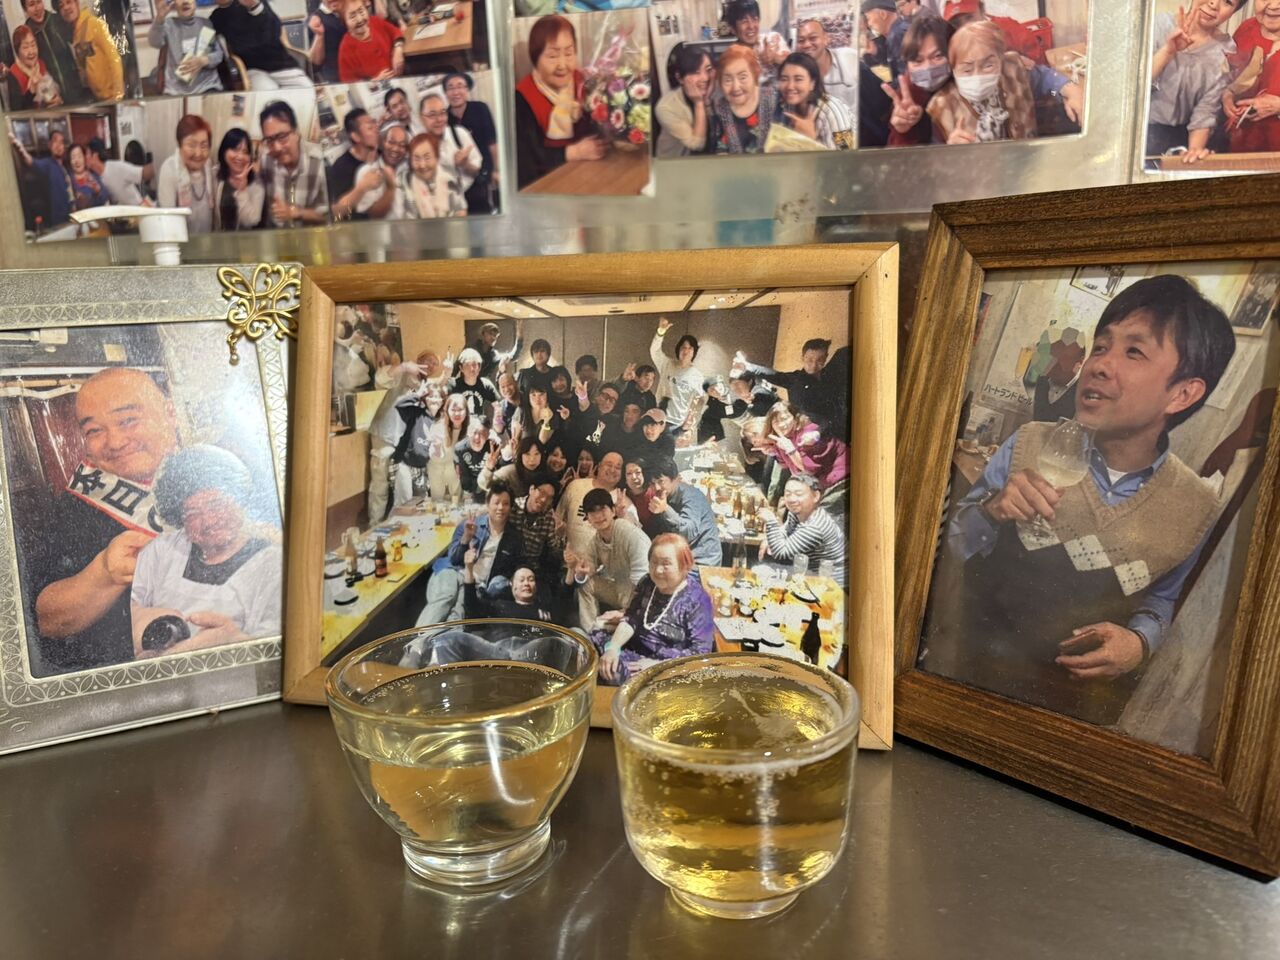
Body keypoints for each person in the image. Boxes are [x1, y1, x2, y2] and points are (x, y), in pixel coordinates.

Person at [939, 275, 1235, 725]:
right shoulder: (1029, 442)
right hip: (965, 675)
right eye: (1101, 346)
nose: (1099, 365)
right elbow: (946, 550)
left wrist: (1139, 643)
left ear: (1183, 393)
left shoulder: (1196, 506)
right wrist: (991, 510)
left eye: (1133, 352)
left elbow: (1163, 601)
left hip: (1073, 714)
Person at [30, 369, 179, 675]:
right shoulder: (73, 508)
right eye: (94, 430)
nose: (115, 442)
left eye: (128, 420)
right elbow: (43, 621)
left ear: (170, 413)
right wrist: (105, 574)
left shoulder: (220, 475)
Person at [131, 445, 281, 656]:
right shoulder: (161, 550)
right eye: (193, 513)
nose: (209, 521)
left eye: (216, 505)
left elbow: (274, 654)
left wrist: (235, 641)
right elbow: (129, 609)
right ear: (179, 518)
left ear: (238, 498)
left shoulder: (273, 565)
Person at [592, 533, 716, 685]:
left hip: (667, 667)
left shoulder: (698, 600)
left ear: (684, 566)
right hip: (633, 650)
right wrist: (613, 648)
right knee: (586, 647)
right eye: (654, 562)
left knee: (609, 671)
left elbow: (700, 654)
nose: (657, 570)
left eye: (666, 564)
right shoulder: (647, 583)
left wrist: (657, 667)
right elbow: (631, 619)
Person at [514, 14, 605, 189]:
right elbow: (527, 162)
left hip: (591, 174)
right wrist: (573, 153)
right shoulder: (522, 97)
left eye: (569, 53)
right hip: (550, 184)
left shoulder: (584, 81)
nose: (563, 65)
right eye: (553, 56)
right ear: (535, 58)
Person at [1145, 0, 1240, 165]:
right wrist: (1167, 52)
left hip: (1181, 136)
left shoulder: (1225, 50)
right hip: (1136, 127)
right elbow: (1132, 87)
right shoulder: (1158, 25)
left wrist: (1194, 151)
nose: (1214, 4)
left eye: (1227, 2)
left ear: (1234, 11)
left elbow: (1206, 109)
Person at [417, 483, 523, 625]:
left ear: (510, 507)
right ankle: (417, 638)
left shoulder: (514, 537)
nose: (500, 508)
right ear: (488, 504)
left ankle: (433, 639)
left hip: (474, 583)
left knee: (458, 616)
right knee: (446, 597)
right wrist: (466, 538)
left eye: (505, 504)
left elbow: (513, 569)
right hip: (452, 571)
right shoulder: (470, 524)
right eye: (496, 502)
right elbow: (453, 559)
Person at [926, 19, 1036, 145]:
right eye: (967, 70)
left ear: (1000, 59)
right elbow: (934, 152)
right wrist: (951, 149)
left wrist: (1057, 89)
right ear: (954, 69)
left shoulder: (1013, 69)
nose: (978, 76)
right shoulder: (941, 105)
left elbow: (1048, 84)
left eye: (988, 65)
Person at [568, 486, 651, 631]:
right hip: (620, 592)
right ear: (588, 518)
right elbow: (588, 567)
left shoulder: (630, 534)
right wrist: (581, 572)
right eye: (592, 512)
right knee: (585, 584)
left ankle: (603, 628)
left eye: (602, 509)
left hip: (643, 601)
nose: (598, 516)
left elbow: (644, 581)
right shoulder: (596, 540)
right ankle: (590, 633)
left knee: (603, 624)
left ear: (613, 511)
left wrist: (627, 612)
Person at [758, 475, 846, 586]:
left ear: (815, 496)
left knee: (763, 573)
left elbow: (780, 553)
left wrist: (771, 521)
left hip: (831, 584)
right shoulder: (798, 513)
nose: (792, 499)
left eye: (798, 494)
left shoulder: (815, 526)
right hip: (810, 571)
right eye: (788, 494)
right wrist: (769, 539)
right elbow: (785, 531)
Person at [762, 400, 849, 512]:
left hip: (840, 478)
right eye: (776, 422)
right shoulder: (783, 438)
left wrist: (791, 450)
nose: (781, 425)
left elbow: (809, 470)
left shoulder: (808, 434)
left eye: (785, 419)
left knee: (823, 515)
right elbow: (785, 465)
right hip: (821, 483)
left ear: (795, 417)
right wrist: (773, 452)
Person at [211, 0, 314, 91]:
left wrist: (254, 8)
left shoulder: (256, 3)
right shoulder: (216, 17)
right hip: (254, 69)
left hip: (282, 65)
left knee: (307, 92)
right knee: (266, 96)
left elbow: (275, 33)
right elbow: (212, 47)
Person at [733, 337, 835, 428]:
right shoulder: (795, 379)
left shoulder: (830, 375)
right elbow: (775, 375)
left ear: (826, 358)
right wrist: (748, 367)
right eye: (810, 360)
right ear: (802, 358)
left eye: (819, 360)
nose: (814, 365)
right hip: (808, 430)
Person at [883, 15, 953, 146]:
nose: (928, 67)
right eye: (918, 60)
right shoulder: (907, 97)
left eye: (937, 56)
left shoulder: (966, 90)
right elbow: (899, 154)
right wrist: (903, 132)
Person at [259, 99, 329, 227]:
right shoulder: (266, 160)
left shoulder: (320, 164)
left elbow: (330, 215)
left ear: (296, 132)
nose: (277, 147)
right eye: (269, 140)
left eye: (282, 137)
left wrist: (297, 213)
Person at [1224, 1, 1280, 155]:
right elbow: (1229, 76)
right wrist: (1227, 95)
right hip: (1238, 150)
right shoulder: (1246, 29)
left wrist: (1278, 106)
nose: (1273, 6)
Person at [646, 456, 721, 567]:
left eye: (660, 481)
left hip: (702, 561)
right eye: (652, 483)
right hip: (679, 557)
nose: (656, 487)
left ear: (675, 479)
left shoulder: (692, 496)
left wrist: (666, 509)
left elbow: (688, 532)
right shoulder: (661, 496)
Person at [705, 44, 778, 154]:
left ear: (755, 75)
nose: (735, 87)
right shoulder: (720, 108)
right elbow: (719, 147)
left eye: (742, 77)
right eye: (728, 80)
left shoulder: (773, 98)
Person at [444, 71, 499, 214]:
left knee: (487, 208)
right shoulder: (444, 117)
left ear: (467, 89)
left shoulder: (480, 108)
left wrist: (496, 170)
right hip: (462, 177)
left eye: (460, 86)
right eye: (450, 87)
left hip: (485, 167)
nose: (456, 92)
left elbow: (492, 142)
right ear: (445, 93)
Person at [557, 450, 632, 555]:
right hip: (568, 558)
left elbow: (631, 540)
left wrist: (622, 516)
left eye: (618, 467)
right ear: (599, 466)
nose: (612, 470)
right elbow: (558, 517)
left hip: (603, 563)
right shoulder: (575, 486)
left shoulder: (625, 502)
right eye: (609, 465)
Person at [778, 52, 855, 149]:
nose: (790, 86)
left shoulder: (833, 111)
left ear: (812, 83)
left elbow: (848, 153)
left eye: (798, 79)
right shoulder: (788, 107)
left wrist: (810, 140)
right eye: (784, 79)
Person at [328, 108, 393, 221]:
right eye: (370, 128)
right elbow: (337, 213)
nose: (376, 129)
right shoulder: (341, 167)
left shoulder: (382, 154)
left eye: (375, 124)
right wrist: (362, 187)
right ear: (356, 137)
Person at [148, 0, 224, 95]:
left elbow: (218, 55)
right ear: (174, 3)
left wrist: (203, 61)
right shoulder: (168, 24)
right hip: (175, 90)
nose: (185, 2)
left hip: (206, 86)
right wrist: (159, 18)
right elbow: (154, 43)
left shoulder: (205, 23)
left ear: (195, 3)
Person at [158, 115, 215, 234]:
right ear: (180, 145)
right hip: (179, 240)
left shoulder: (208, 165)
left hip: (206, 239)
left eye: (204, 146)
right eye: (191, 145)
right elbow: (168, 219)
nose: (198, 153)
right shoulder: (170, 169)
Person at [649, 317, 704, 439]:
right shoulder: (667, 364)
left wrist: (691, 422)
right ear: (678, 349)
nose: (686, 351)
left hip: (678, 423)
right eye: (683, 347)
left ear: (694, 352)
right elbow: (654, 351)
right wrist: (660, 332)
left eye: (690, 349)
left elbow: (699, 400)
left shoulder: (697, 376)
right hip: (659, 418)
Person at [23, 0, 86, 107]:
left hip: (76, 90)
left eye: (39, 2)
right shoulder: (27, 35)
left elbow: (77, 41)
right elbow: (33, 71)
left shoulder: (57, 20)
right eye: (32, 4)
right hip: (53, 97)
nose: (37, 8)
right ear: (25, 9)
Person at [419, 92, 480, 201]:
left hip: (472, 196)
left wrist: (465, 164)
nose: (439, 119)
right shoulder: (419, 147)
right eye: (432, 115)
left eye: (443, 113)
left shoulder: (460, 134)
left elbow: (477, 171)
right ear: (421, 118)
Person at [656, 43, 714, 158]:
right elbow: (697, 145)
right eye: (696, 72)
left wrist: (707, 99)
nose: (705, 78)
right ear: (679, 78)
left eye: (708, 69)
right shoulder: (666, 107)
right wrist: (699, 103)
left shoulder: (714, 88)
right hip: (675, 164)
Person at [59, 0, 123, 102]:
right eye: (61, 6)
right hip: (99, 99)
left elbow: (114, 57)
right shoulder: (75, 33)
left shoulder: (94, 23)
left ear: (77, 3)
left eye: (69, 2)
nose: (66, 8)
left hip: (112, 97)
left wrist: (118, 95)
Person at [393, 133, 466, 219]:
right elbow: (398, 217)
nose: (422, 165)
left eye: (427, 158)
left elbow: (461, 212)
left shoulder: (451, 178)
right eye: (416, 159)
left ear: (437, 157)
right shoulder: (401, 181)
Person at [794, 18, 858, 114]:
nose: (806, 44)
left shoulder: (849, 58)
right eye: (801, 40)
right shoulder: (798, 75)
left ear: (826, 39)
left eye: (813, 38)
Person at [462, 559, 553, 622]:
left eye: (531, 580)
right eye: (521, 580)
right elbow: (472, 608)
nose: (526, 583)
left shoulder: (546, 611)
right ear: (512, 585)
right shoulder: (500, 606)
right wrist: (469, 568)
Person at [337, 0, 403, 82]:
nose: (360, 19)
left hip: (400, 78)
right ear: (344, 21)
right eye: (352, 16)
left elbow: (395, 31)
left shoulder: (375, 22)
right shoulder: (346, 48)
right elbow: (348, 83)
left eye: (361, 12)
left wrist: (398, 49)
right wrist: (375, 81)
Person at [723, 0, 789, 80]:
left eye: (754, 19)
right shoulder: (732, 56)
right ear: (733, 29)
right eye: (744, 21)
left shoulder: (772, 40)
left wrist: (776, 58)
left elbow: (796, 67)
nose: (751, 26)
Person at [510, 479, 560, 583]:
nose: (544, 499)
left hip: (532, 568)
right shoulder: (513, 506)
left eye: (549, 498)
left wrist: (560, 535)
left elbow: (555, 550)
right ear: (531, 489)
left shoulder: (549, 517)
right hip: (509, 563)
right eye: (542, 493)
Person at [214, 128, 264, 230]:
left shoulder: (256, 183)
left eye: (245, 152)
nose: (240, 156)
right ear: (224, 151)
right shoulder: (215, 175)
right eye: (235, 150)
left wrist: (242, 191)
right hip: (217, 237)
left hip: (244, 239)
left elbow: (251, 221)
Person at [6, 24, 61, 110]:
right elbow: (16, 111)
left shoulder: (41, 64)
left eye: (33, 45)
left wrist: (57, 99)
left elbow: (52, 90)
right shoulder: (13, 73)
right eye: (25, 47)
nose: (31, 51)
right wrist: (31, 91)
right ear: (17, 51)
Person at [479, 434, 547, 499]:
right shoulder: (510, 472)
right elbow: (486, 485)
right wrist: (488, 469)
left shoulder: (545, 473)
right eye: (527, 454)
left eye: (536, 454)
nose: (532, 459)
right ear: (520, 455)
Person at [85, 137, 148, 206]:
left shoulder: (116, 167)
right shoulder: (93, 177)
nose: (85, 157)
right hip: (119, 211)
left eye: (87, 153)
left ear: (95, 156)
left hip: (137, 207)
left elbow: (142, 173)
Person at [461, 320, 524, 385]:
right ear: (483, 333)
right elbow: (457, 366)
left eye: (496, 336)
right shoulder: (471, 348)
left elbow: (513, 356)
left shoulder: (494, 355)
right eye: (491, 334)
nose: (494, 338)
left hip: (483, 387)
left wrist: (519, 337)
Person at [862, 0, 909, 81]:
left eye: (868, 18)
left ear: (883, 14)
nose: (869, 24)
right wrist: (876, 52)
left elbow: (905, 77)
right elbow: (895, 65)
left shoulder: (897, 35)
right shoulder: (897, 31)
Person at [449, 347, 500, 418]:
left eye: (474, 364)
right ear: (461, 368)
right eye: (467, 365)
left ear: (479, 367)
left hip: (478, 423)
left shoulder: (485, 384)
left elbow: (498, 407)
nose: (472, 369)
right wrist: (445, 375)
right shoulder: (453, 384)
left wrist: (498, 420)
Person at [307, 0, 345, 83]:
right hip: (334, 78)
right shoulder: (315, 20)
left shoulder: (351, 10)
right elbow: (315, 63)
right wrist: (319, 35)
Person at [66, 142, 108, 210]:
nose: (77, 161)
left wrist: (98, 190)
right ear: (69, 161)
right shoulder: (67, 180)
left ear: (84, 158)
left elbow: (105, 197)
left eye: (79, 156)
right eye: (73, 158)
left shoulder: (93, 176)